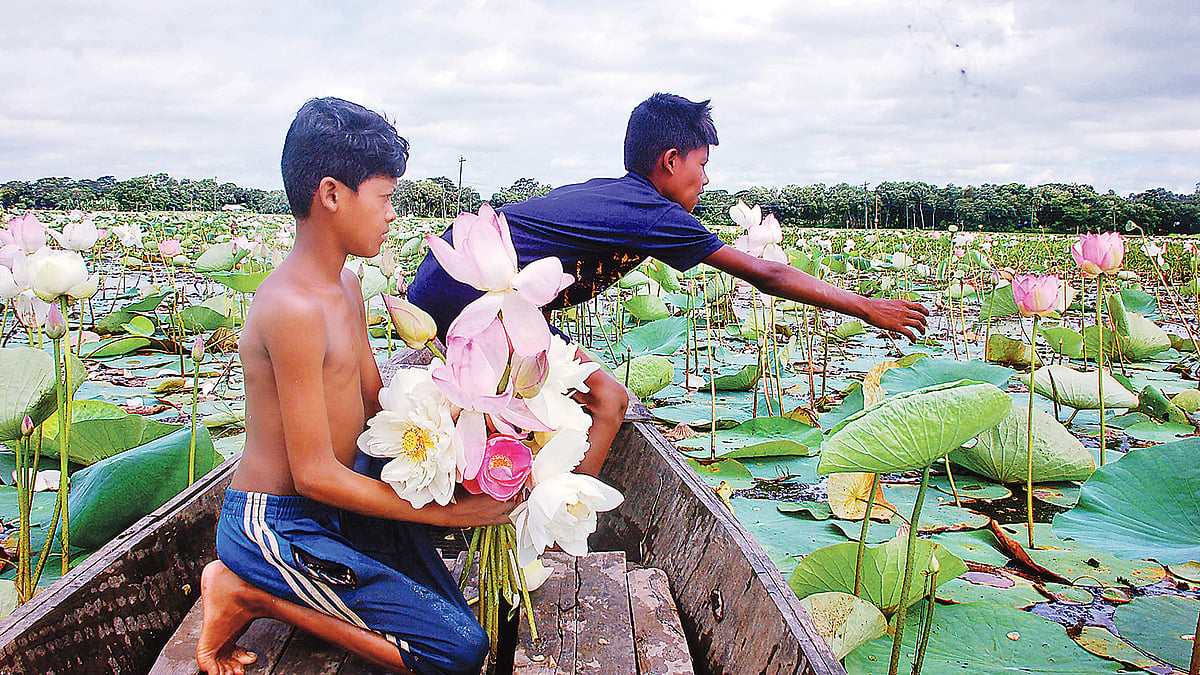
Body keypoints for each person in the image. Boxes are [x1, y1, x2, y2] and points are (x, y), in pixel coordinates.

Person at [408, 92, 928, 477]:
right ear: (671, 161)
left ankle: (508, 492)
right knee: (608, 400)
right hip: (472, 292)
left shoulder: (617, 194)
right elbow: (766, 272)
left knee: (530, 401)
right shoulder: (654, 213)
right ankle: (563, 520)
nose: (705, 181)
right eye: (701, 166)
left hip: (446, 283)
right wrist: (866, 306)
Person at [195, 97, 512, 675]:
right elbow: (312, 473)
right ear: (333, 193)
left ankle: (314, 578)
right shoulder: (290, 308)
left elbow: (376, 409)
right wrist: (443, 518)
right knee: (459, 653)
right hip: (279, 519)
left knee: (455, 613)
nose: (394, 213)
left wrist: (471, 434)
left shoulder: (345, 286)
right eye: (386, 197)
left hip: (345, 498)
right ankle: (244, 591)